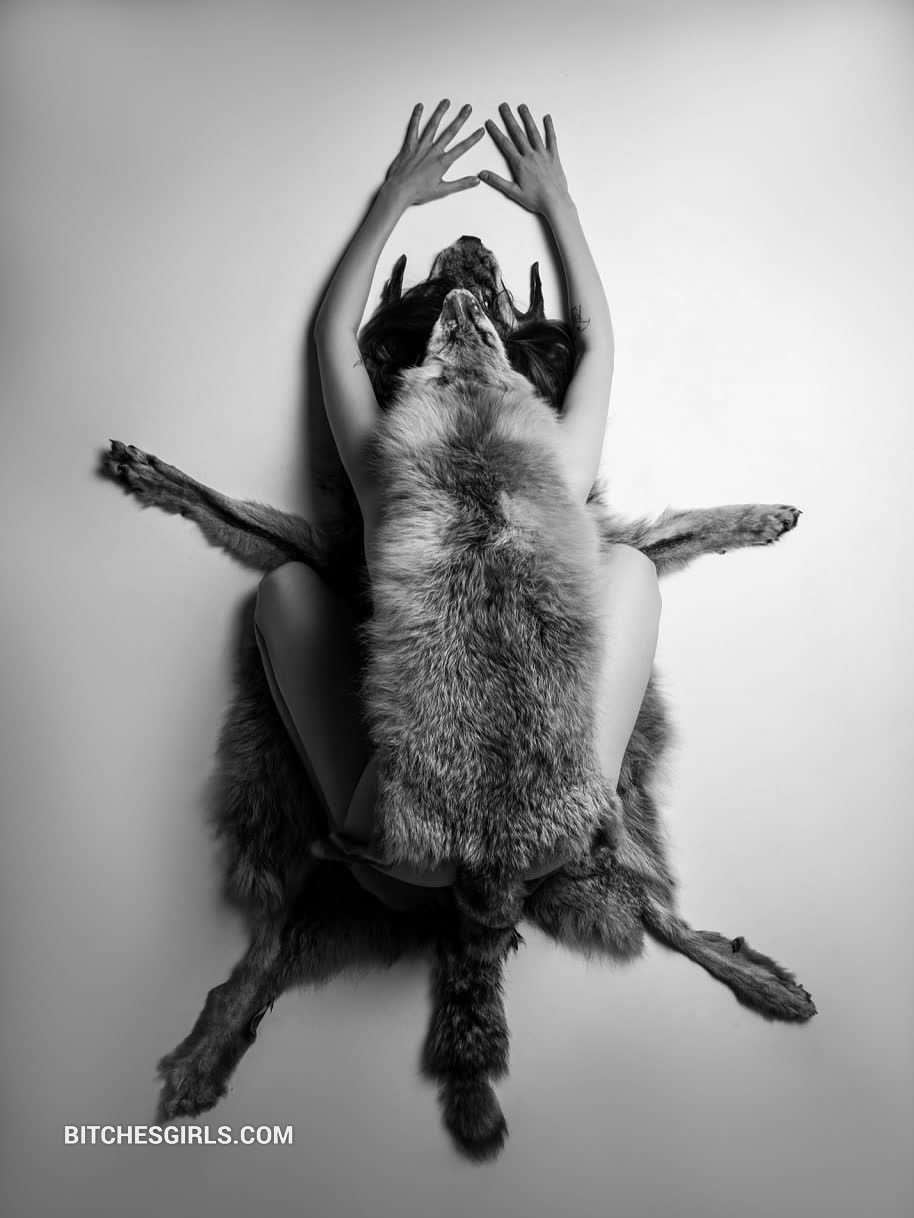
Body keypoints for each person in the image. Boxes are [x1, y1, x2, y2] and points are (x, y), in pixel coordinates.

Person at [253, 100, 661, 909]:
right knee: (632, 567)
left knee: (283, 591)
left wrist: (393, 199)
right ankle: (587, 809)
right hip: (551, 831)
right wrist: (558, 203)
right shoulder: (560, 470)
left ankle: (367, 860)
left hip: (403, 841)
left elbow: (333, 336)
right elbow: (599, 347)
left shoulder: (386, 471)